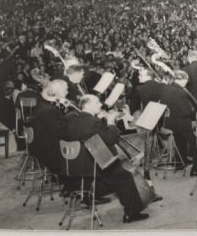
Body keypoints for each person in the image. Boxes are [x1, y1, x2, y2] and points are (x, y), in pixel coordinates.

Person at [64, 95, 149, 223]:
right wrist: (110, 122)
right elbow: (111, 139)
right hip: (93, 164)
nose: (100, 104)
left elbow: (91, 132)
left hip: (76, 163)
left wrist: (99, 120)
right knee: (124, 175)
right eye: (97, 102)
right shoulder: (94, 122)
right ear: (88, 105)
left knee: (119, 168)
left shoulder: (74, 119)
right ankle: (132, 213)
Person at [160, 70, 197, 173]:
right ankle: (196, 168)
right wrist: (195, 115)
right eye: (186, 80)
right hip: (180, 123)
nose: (186, 83)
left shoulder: (165, 88)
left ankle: (180, 161)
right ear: (182, 80)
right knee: (194, 141)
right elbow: (186, 111)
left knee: (179, 140)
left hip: (168, 122)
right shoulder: (181, 92)